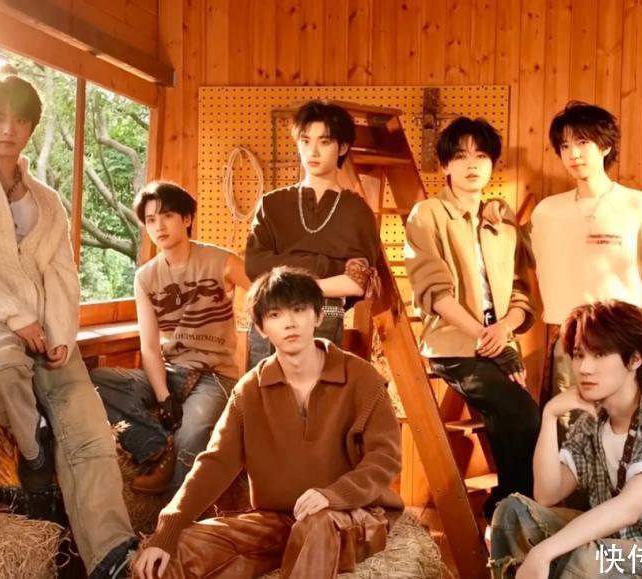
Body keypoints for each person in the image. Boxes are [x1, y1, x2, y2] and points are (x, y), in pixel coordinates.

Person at [0, 71, 135, 578]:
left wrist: (60, 334)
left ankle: (113, 556)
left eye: (19, 120)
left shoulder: (47, 200)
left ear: (32, 128)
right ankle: (36, 451)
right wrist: (17, 318)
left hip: (42, 325)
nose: (7, 129)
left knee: (90, 431)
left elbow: (62, 273)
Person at [132, 267, 403, 579]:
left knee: (317, 526)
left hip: (348, 514)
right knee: (178, 550)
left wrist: (333, 495)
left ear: (317, 316)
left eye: (299, 310)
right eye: (275, 314)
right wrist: (168, 529)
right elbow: (214, 464)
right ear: (261, 328)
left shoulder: (362, 378)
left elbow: (385, 458)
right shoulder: (249, 390)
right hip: (276, 520)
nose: (289, 323)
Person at [489, 300, 642, 579]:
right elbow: (547, 494)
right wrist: (549, 415)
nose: (584, 368)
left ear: (635, 359)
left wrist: (543, 552)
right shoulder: (592, 422)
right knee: (513, 513)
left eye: (600, 354)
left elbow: (628, 509)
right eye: (579, 355)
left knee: (591, 559)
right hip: (623, 543)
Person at [403, 116, 541, 519]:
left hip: (499, 340)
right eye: (461, 156)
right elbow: (435, 293)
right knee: (520, 411)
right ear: (445, 164)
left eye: (481, 156)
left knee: (519, 414)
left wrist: (505, 330)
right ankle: (516, 507)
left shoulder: (501, 221)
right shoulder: (427, 214)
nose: (472, 164)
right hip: (454, 344)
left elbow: (520, 291)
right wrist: (486, 336)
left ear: (492, 163)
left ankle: (508, 505)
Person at [91, 181, 249, 497]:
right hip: (170, 371)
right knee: (98, 380)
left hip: (213, 375)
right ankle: (157, 447)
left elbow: (264, 294)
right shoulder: (145, 277)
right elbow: (149, 347)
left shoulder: (222, 262)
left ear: (186, 219)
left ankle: (174, 514)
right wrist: (164, 397)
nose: (159, 226)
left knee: (192, 434)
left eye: (167, 216)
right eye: (151, 220)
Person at [529, 101, 642, 396]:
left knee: (625, 423)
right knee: (568, 423)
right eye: (565, 146)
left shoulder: (639, 206)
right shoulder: (546, 212)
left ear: (605, 146)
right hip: (567, 344)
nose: (573, 154)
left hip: (624, 342)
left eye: (582, 142)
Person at [244, 100, 382, 368]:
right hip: (270, 318)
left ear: (343, 147)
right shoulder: (272, 204)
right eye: (305, 141)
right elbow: (255, 266)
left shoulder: (357, 211)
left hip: (323, 318)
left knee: (319, 392)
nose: (313, 151)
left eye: (324, 142)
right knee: (266, 390)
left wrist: (286, 278)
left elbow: (357, 282)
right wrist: (325, 266)